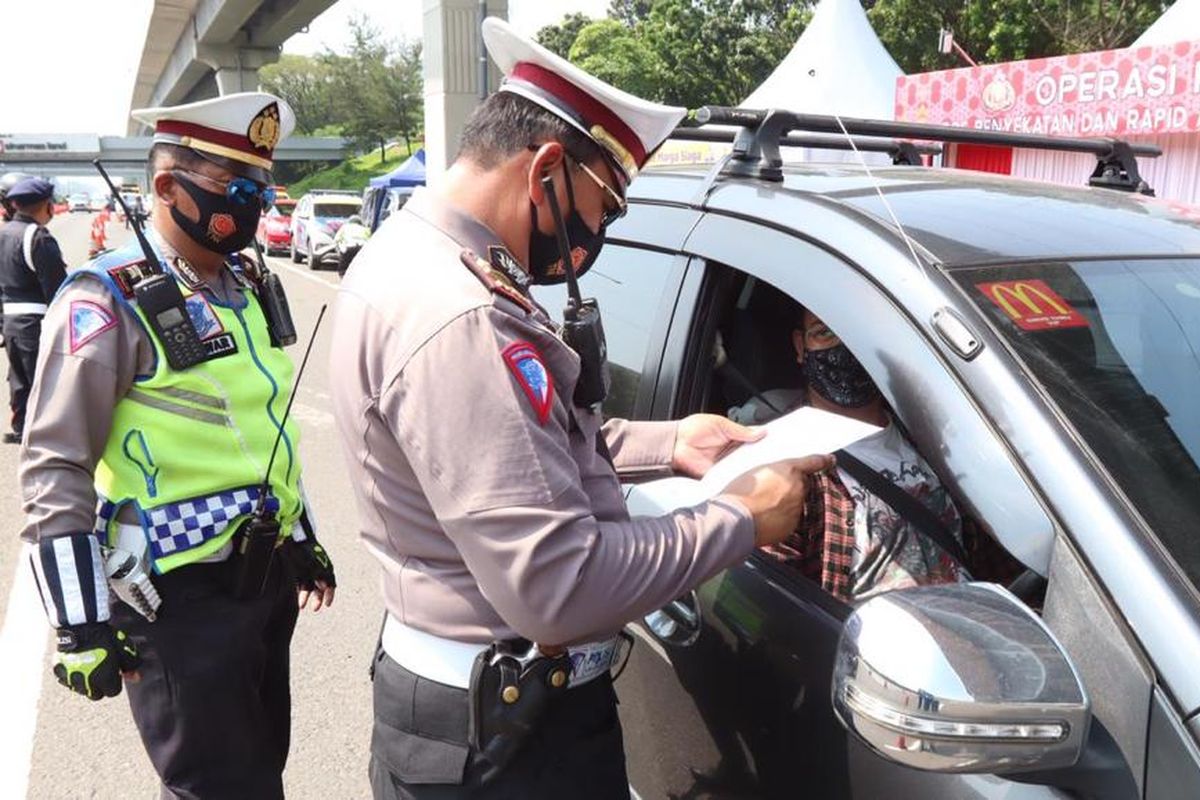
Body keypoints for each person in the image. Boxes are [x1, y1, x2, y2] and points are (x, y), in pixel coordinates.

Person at [329, 17, 833, 800]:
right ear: (547, 172)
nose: (598, 234)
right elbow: (559, 591)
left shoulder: (415, 258)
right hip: (507, 741)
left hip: (474, 712)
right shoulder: (460, 314)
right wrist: (741, 517)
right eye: (606, 208)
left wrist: (674, 442)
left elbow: (516, 447)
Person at [19, 92, 337, 800]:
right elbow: (55, 463)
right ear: (168, 187)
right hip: (175, 596)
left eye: (262, 189)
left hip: (262, 581)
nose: (253, 206)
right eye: (237, 189)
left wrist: (302, 534)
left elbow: (265, 427)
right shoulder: (106, 299)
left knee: (258, 770)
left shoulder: (247, 281)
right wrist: (79, 623)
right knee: (215, 787)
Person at [729, 306, 971, 601]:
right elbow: (773, 606)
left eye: (855, 330)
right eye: (824, 333)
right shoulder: (785, 463)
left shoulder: (937, 434)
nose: (844, 347)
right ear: (800, 346)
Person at [0, 176, 67, 443]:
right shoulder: (37, 237)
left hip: (10, 320)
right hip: (36, 320)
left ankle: (22, 427)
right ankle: (45, 431)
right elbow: (57, 288)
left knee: (19, 376)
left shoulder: (4, 233)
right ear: (46, 206)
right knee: (43, 377)